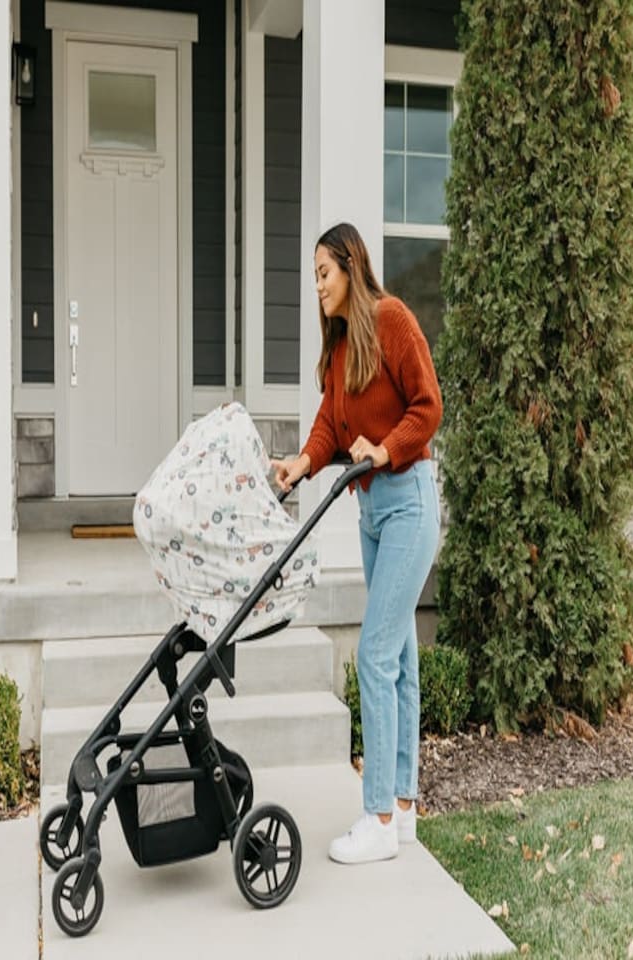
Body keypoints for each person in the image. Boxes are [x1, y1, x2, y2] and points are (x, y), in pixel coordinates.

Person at [272, 222, 442, 864]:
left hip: (408, 501)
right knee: (397, 658)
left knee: (373, 654)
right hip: (371, 510)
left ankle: (373, 816)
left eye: (323, 272)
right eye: (313, 275)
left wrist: (385, 447)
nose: (317, 285)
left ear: (350, 265)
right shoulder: (340, 348)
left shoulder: (392, 320)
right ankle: (401, 811)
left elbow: (428, 407)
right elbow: (329, 425)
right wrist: (300, 464)